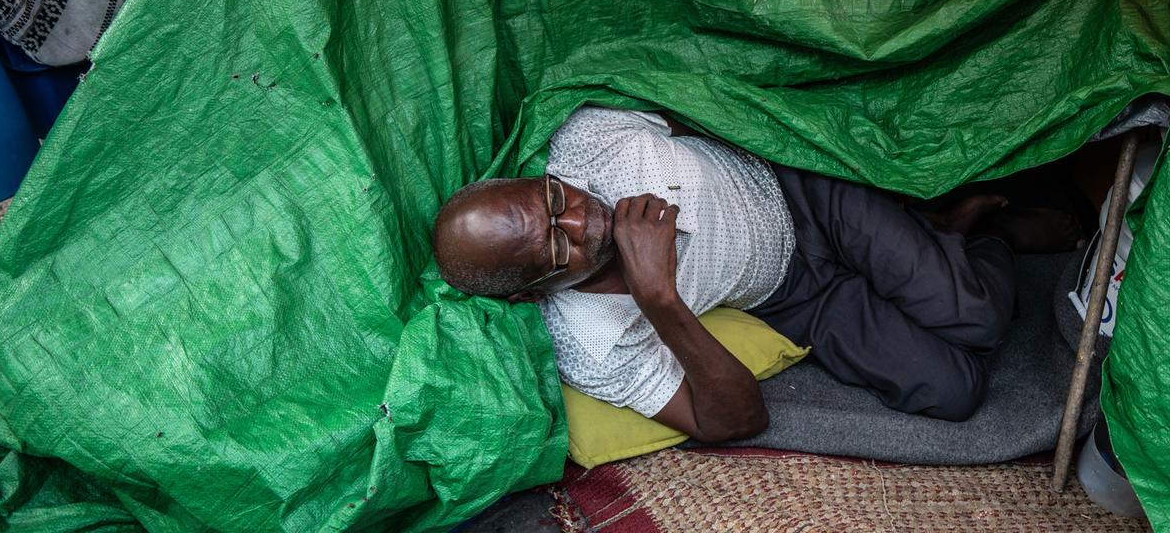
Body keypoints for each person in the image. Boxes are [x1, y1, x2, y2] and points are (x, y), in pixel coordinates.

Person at [431, 107, 1079, 442]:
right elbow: (735, 423)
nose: (581, 221)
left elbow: (718, 105)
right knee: (953, 389)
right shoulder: (588, 341)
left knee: (977, 315)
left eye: (553, 199)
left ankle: (974, 232)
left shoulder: (588, 139)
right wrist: (658, 298)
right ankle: (948, 236)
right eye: (554, 249)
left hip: (807, 196)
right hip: (797, 295)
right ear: (528, 293)